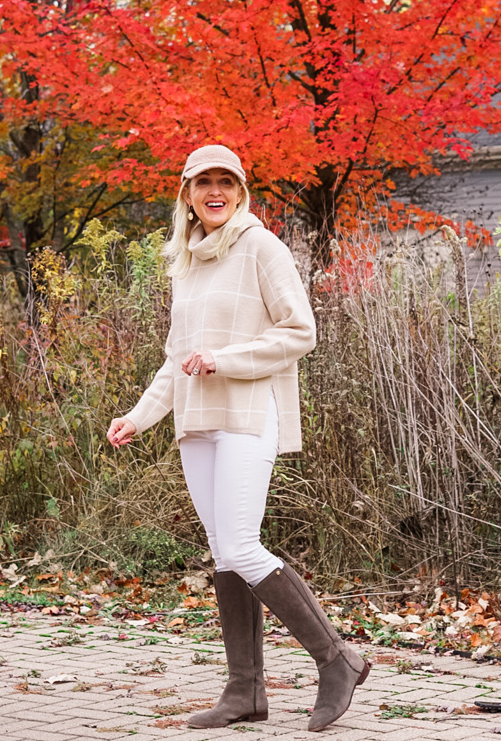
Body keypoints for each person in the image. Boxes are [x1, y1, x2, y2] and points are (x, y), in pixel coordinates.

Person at [106, 144, 370, 732]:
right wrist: (139, 415)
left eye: (226, 181)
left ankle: (337, 659)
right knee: (224, 551)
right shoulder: (187, 260)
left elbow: (301, 331)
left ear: (241, 189)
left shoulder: (260, 246)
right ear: (187, 194)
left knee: (243, 546)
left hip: (249, 411)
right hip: (197, 422)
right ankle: (245, 692)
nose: (215, 191)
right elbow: (177, 359)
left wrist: (224, 360)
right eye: (204, 183)